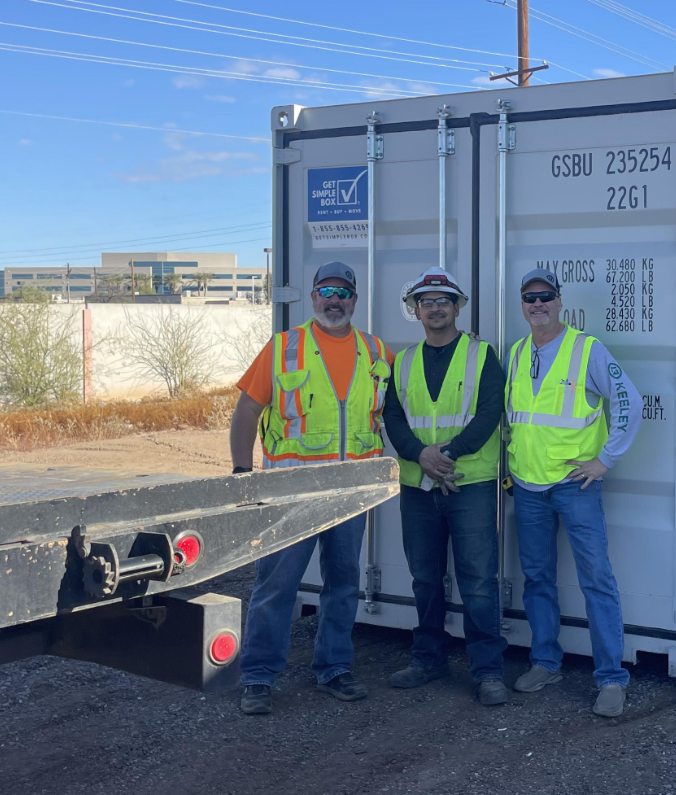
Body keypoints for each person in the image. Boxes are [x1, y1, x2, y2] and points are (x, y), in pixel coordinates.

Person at [229, 261, 393, 716]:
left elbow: (390, 415)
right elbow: (245, 413)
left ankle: (335, 668)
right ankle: (258, 676)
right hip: (290, 491)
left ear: (355, 300)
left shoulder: (376, 351)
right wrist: (243, 475)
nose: (334, 300)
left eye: (343, 292)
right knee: (276, 585)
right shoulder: (283, 348)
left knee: (343, 584)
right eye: (326, 291)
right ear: (313, 297)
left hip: (349, 493)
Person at [505, 268, 643, 717]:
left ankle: (611, 678)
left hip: (575, 487)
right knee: (538, 579)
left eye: (545, 296)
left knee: (596, 581)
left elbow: (629, 401)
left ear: (560, 301)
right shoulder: (516, 353)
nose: (537, 304)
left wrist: (605, 460)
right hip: (527, 488)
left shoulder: (587, 350)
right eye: (529, 298)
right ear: (522, 306)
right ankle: (546, 662)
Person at [382, 269, 508, 706]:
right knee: (425, 580)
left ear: (458, 308)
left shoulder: (482, 355)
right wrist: (421, 456)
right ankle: (428, 658)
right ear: (415, 311)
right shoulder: (403, 360)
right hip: (419, 486)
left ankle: (488, 669)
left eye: (444, 300)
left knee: (478, 580)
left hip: (468, 483)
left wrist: (447, 455)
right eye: (426, 301)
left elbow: (490, 412)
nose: (435, 307)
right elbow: (393, 417)